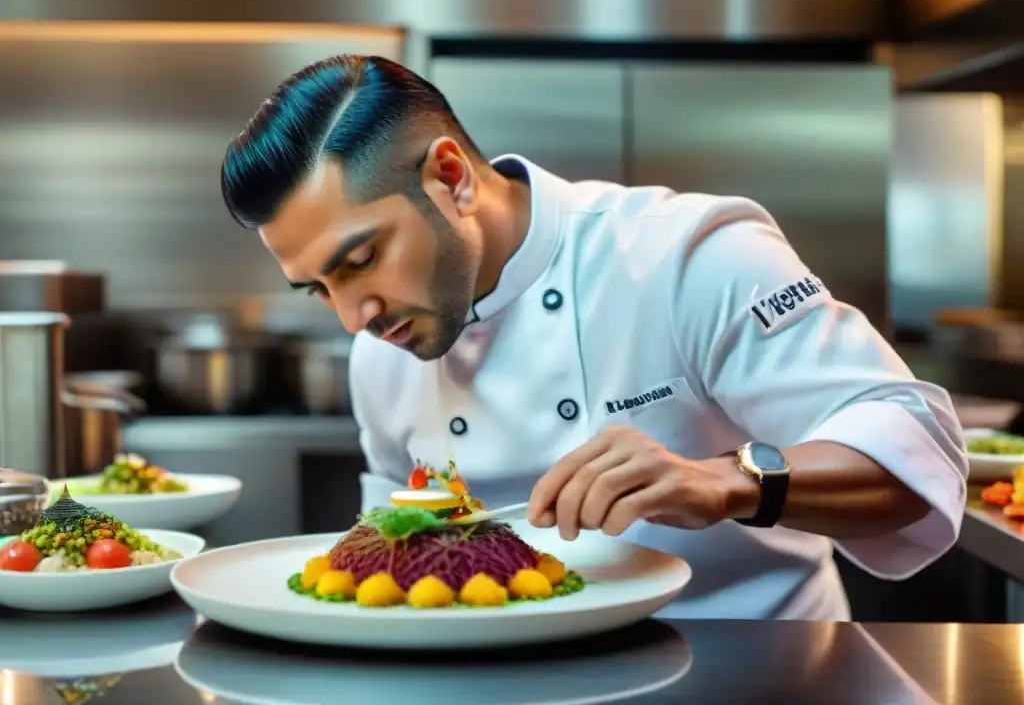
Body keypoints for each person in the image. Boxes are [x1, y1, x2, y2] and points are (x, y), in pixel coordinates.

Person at [220, 55, 968, 620]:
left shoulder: (684, 256)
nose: (354, 318)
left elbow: (916, 450)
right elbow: (394, 565)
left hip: (760, 672)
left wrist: (728, 482)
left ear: (451, 178)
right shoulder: (379, 357)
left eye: (361, 260)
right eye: (320, 288)